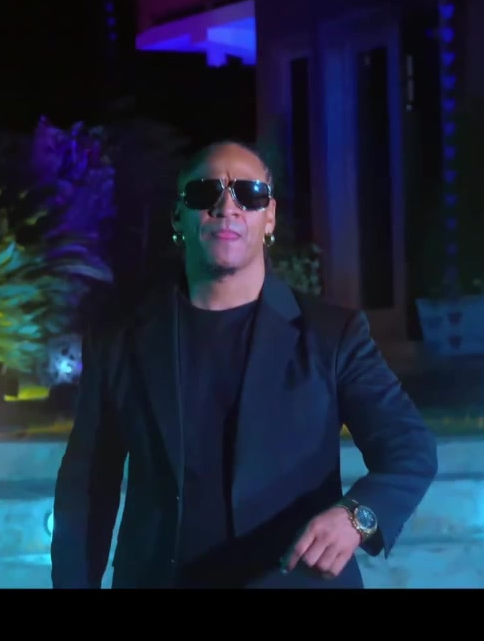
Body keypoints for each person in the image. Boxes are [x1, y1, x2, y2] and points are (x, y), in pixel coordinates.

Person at [51, 140, 438, 589]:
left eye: (249, 194)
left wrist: (357, 517)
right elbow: (87, 487)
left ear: (269, 216)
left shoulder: (333, 335)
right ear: (178, 216)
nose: (227, 207)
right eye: (205, 192)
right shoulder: (119, 339)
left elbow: (410, 450)